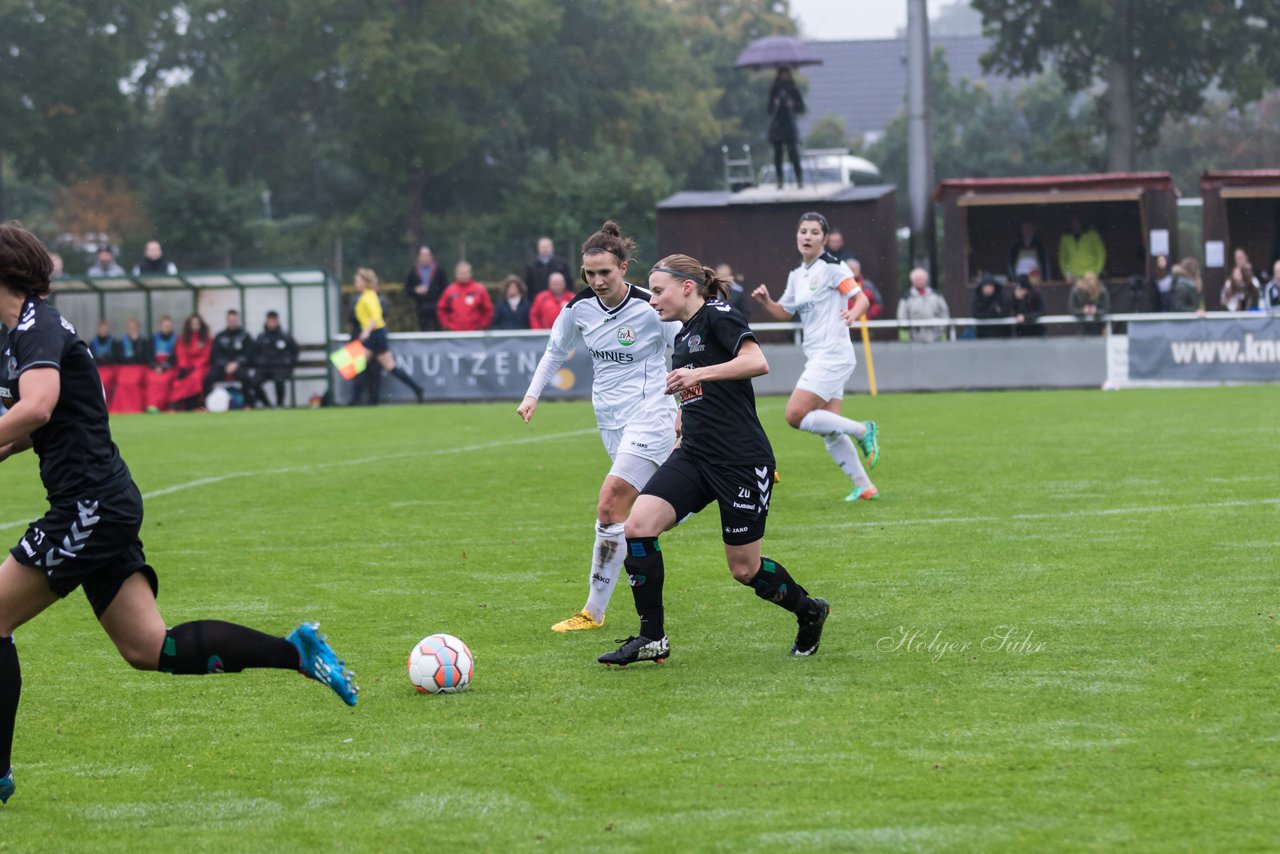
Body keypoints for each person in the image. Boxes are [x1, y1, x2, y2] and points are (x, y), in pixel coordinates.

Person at [0, 221, 357, 806]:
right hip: (100, 502)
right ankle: (296, 652)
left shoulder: (35, 328)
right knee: (148, 647)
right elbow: (16, 432)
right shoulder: (18, 336)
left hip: (88, 505)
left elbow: (36, 408)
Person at [597, 253, 830, 667]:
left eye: (658, 290)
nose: (652, 300)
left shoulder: (720, 314)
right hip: (694, 456)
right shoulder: (684, 335)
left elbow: (757, 362)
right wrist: (685, 416)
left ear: (686, 287)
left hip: (740, 461)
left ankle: (809, 611)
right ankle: (653, 637)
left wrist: (697, 376)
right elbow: (698, 388)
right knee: (637, 527)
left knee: (744, 569)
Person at [518, 221, 680, 633]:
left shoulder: (651, 306)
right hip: (609, 422)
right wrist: (533, 394)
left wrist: (687, 408)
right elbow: (555, 352)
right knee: (639, 512)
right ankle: (727, 473)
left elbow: (689, 353)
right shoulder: (578, 309)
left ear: (624, 267)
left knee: (610, 502)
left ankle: (592, 612)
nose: (597, 281)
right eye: (590, 274)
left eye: (605, 272)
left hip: (651, 414)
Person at [750, 212, 879, 503]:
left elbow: (861, 299)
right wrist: (766, 301)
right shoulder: (797, 275)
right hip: (818, 355)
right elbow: (784, 313)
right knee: (830, 426)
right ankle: (864, 486)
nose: (807, 236)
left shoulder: (833, 267)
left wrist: (852, 314)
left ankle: (863, 429)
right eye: (803, 231)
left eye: (813, 232)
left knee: (795, 415)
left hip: (833, 354)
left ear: (823, 238)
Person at [352, 268, 425, 405]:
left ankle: (355, 400)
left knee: (359, 365)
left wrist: (366, 331)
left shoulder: (369, 296)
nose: (355, 283)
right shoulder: (366, 296)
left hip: (375, 334)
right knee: (388, 366)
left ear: (365, 282)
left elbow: (375, 316)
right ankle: (417, 388)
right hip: (376, 334)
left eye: (357, 280)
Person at [204, 309, 256, 408]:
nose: (232, 322)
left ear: (237, 320)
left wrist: (236, 363)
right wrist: (225, 365)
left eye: (234, 320)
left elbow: (249, 355)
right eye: (230, 320)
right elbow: (215, 355)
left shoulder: (245, 336)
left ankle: (248, 405)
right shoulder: (220, 336)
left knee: (246, 378)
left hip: (239, 366)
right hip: (222, 367)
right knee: (208, 378)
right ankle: (206, 405)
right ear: (227, 320)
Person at [767, 68, 806, 189]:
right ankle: (780, 181)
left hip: (790, 126)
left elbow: (802, 108)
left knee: (793, 153)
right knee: (778, 155)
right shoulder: (775, 90)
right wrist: (775, 104)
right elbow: (768, 109)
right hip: (777, 127)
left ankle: (799, 180)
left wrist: (793, 105)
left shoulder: (793, 90)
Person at [253, 311, 299, 407]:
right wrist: (260, 362)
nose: (272, 323)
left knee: (279, 380)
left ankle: (279, 404)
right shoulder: (261, 337)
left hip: (280, 367)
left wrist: (288, 362)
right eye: (270, 321)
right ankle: (267, 405)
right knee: (254, 382)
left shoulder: (285, 336)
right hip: (265, 368)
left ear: (277, 321)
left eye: (274, 321)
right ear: (266, 321)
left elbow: (294, 351)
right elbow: (255, 353)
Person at [171, 313, 213, 411]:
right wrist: (185, 367)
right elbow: (181, 354)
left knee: (196, 378)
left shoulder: (206, 339)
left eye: (197, 323)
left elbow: (206, 356)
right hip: (186, 368)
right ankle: (179, 405)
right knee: (177, 380)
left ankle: (196, 405)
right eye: (192, 324)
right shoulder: (183, 339)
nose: (194, 326)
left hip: (201, 367)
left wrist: (194, 366)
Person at [898, 268, 951, 343]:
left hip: (935, 336)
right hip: (915, 337)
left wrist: (940, 329)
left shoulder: (936, 295)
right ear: (912, 281)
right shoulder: (906, 297)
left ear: (926, 280)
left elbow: (944, 312)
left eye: (922, 279)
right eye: (917, 279)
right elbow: (902, 317)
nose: (920, 281)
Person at [437, 262, 494, 332]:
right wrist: (446, 324)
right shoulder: (449, 291)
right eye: (461, 273)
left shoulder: (479, 290)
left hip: (475, 332)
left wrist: (483, 325)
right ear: (456, 274)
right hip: (455, 333)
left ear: (471, 273)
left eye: (465, 273)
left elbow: (488, 309)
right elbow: (441, 309)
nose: (463, 276)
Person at [111, 318, 151, 414]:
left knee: (133, 383)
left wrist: (135, 343)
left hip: (139, 368)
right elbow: (119, 358)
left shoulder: (143, 341)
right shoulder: (122, 342)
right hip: (125, 368)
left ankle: (136, 408)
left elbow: (144, 358)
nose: (132, 329)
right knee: (122, 382)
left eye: (134, 327)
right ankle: (122, 408)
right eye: (131, 327)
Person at [404, 245, 448, 331]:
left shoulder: (439, 270)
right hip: (420, 307)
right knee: (423, 330)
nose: (425, 258)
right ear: (418, 257)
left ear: (431, 256)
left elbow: (445, 288)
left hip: (437, 306)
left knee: (438, 330)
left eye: (427, 255)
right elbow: (407, 289)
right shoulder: (413, 271)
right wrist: (415, 290)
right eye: (422, 255)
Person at [1058, 214, 1106, 283]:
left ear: (1081, 222)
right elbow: (1062, 258)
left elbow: (1101, 254)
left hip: (1091, 274)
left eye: (1077, 221)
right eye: (1073, 222)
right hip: (1074, 276)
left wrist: (1097, 272)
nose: (1075, 224)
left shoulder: (1092, 234)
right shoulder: (1065, 237)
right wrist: (1067, 274)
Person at [144, 316, 177, 412]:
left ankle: (164, 406)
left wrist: (165, 366)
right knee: (152, 380)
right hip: (155, 367)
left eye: (168, 326)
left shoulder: (176, 340)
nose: (166, 327)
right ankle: (152, 405)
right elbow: (148, 355)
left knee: (165, 380)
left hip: (169, 367)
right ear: (160, 326)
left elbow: (176, 356)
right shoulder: (153, 339)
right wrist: (155, 366)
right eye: (164, 325)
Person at [88, 321, 120, 408]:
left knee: (106, 383)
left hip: (110, 369)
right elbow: (91, 357)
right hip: (98, 368)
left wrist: (104, 359)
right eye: (101, 329)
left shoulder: (113, 342)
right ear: (98, 329)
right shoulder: (93, 343)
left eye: (105, 329)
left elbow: (115, 358)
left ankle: (108, 405)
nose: (103, 331)